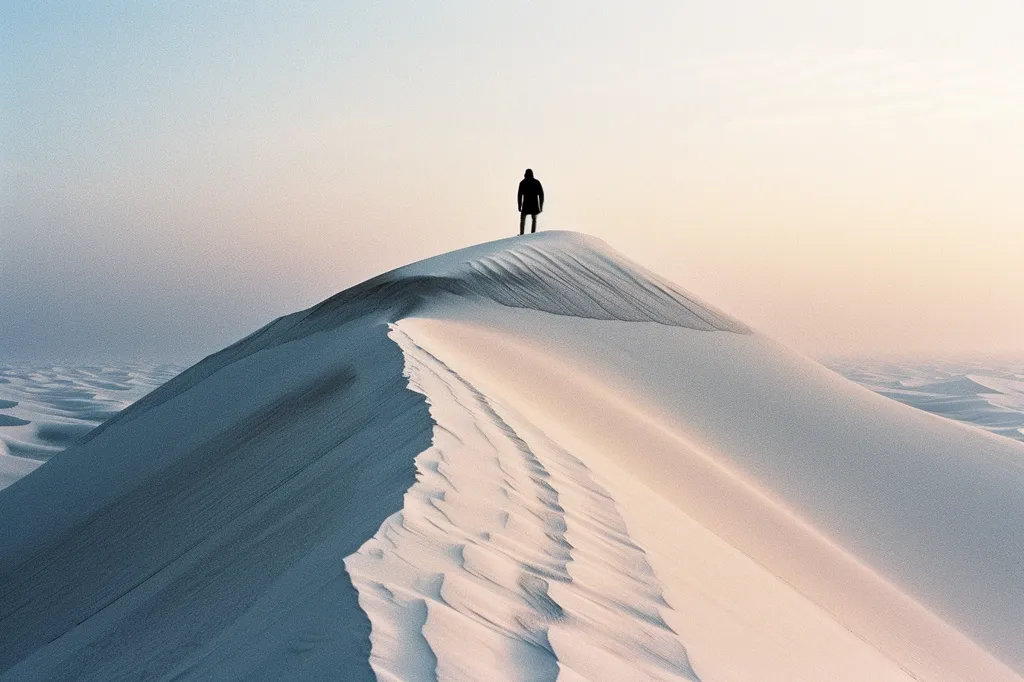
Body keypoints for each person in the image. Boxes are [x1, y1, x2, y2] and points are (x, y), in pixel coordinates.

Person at [517, 168, 544, 235]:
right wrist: (541, 206)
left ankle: (522, 233)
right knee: (534, 219)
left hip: (526, 205)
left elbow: (519, 196)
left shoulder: (523, 183)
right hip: (534, 205)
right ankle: (533, 233)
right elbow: (541, 195)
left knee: (523, 219)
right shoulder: (536, 182)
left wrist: (519, 206)